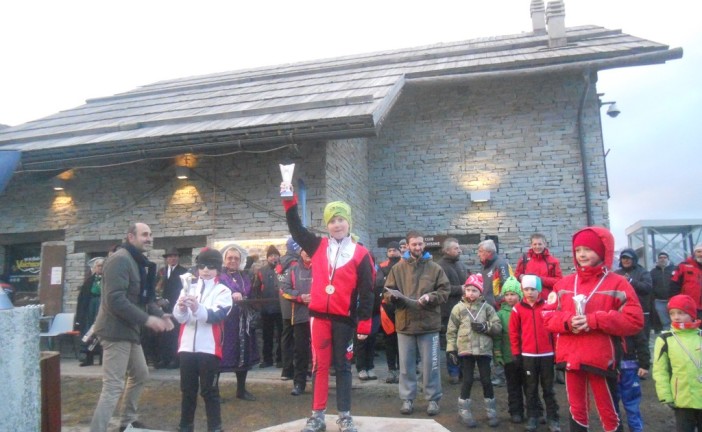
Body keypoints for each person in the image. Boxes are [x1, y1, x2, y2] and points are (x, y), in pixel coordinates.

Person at [283, 192, 375, 432]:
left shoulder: (361, 253)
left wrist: (364, 322)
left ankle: (345, 416)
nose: (337, 224)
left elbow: (367, 291)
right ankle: (317, 416)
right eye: (332, 221)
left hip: (344, 320)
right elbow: (296, 229)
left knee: (343, 367)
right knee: (320, 367)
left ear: (348, 223)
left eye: (341, 220)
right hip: (318, 319)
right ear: (327, 225)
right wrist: (289, 201)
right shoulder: (317, 246)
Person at [543, 226, 644, 432]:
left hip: (601, 358)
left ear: (602, 251)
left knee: (608, 410)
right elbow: (547, 316)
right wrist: (568, 322)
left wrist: (595, 320)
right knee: (576, 409)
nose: (581, 254)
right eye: (578, 250)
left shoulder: (618, 283)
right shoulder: (564, 284)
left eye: (588, 249)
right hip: (571, 356)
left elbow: (634, 320)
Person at [89, 222, 174, 432]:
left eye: (150, 234)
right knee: (113, 386)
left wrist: (162, 315)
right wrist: (147, 320)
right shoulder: (119, 260)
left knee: (141, 374)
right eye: (144, 234)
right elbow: (115, 300)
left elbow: (145, 298)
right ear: (130, 237)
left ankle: (126, 423)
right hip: (114, 331)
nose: (149, 238)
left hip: (129, 331)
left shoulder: (138, 262)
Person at [384, 230, 450, 417]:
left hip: (428, 324)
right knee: (405, 366)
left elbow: (444, 290)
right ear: (407, 246)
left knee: (431, 365)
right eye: (414, 244)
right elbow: (388, 291)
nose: (418, 247)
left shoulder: (435, 268)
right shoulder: (397, 268)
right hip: (405, 324)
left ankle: (433, 400)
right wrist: (393, 298)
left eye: (421, 244)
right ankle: (407, 399)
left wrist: (431, 296)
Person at [174, 248, 232, 432]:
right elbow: (180, 318)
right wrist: (182, 308)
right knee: (187, 390)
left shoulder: (223, 290)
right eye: (202, 266)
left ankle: (215, 428)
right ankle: (185, 426)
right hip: (186, 348)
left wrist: (197, 307)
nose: (206, 270)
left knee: (209, 391)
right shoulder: (188, 287)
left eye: (211, 266)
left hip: (209, 348)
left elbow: (216, 315)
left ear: (218, 269)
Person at [446, 273, 501, 428]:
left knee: (486, 380)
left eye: (474, 290)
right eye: (468, 290)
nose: (471, 293)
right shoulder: (458, 308)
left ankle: (491, 411)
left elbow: (497, 326)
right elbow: (451, 330)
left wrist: (486, 327)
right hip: (466, 349)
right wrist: (451, 350)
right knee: (468, 380)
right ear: (465, 291)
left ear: (480, 292)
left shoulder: (487, 308)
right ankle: (464, 411)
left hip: (484, 350)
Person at [510, 275, 560, 432]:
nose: (529, 292)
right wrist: (517, 353)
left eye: (533, 289)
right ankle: (533, 416)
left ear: (539, 290)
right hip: (528, 356)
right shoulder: (517, 309)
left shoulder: (548, 307)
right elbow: (513, 333)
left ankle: (553, 418)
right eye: (526, 289)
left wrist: (557, 353)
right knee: (531, 388)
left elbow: (554, 332)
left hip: (547, 355)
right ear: (522, 290)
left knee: (548, 389)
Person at [652, 294, 702, 432]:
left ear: (692, 314)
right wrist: (665, 396)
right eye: (672, 313)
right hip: (682, 399)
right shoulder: (665, 339)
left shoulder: (700, 336)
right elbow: (660, 370)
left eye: (681, 313)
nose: (676, 317)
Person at [218, 244, 259, 401]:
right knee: (221, 352)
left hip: (243, 321)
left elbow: (250, 294)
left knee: (243, 354)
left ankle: (241, 390)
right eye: (230, 258)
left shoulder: (245, 276)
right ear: (224, 259)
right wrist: (231, 295)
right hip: (225, 321)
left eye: (236, 258)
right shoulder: (218, 276)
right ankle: (214, 390)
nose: (233, 261)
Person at [280, 248, 313, 396]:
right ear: (300, 252)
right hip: (300, 316)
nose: (307, 252)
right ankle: (299, 383)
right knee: (300, 351)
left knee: (321, 351)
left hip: (320, 316)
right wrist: (300, 297)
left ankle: (320, 383)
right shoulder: (293, 269)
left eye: (309, 249)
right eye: (304, 250)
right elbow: (284, 290)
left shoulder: (322, 267)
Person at [437, 237, 470, 384]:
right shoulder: (439, 267)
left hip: (464, 310)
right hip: (448, 311)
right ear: (447, 250)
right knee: (451, 344)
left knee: (464, 342)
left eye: (459, 247)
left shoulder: (461, 265)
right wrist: (460, 289)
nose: (459, 250)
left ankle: (464, 371)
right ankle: (453, 372)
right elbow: (439, 289)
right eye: (456, 248)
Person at [496, 276, 527, 424]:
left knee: (530, 385)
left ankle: (535, 410)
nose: (509, 297)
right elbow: (498, 337)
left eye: (513, 294)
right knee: (513, 386)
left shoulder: (525, 311)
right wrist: (498, 353)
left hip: (527, 356)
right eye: (507, 294)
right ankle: (516, 411)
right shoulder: (501, 314)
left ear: (519, 295)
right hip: (509, 356)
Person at [154, 247, 188, 369]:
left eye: (175, 256)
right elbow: (156, 288)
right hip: (162, 308)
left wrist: (172, 301)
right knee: (162, 334)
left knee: (174, 333)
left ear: (178, 258)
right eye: (170, 256)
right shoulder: (161, 272)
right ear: (166, 259)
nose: (172, 258)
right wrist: (159, 301)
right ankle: (163, 358)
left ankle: (175, 359)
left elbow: (184, 289)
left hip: (176, 307)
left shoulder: (184, 272)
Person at [253, 245, 283, 368]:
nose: (273, 258)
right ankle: (267, 359)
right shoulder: (261, 271)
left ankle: (281, 359)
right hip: (266, 309)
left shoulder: (284, 269)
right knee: (267, 335)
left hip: (282, 308)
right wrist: (259, 305)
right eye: (271, 256)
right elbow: (256, 289)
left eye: (275, 255)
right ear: (267, 258)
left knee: (282, 336)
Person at [614, 248, 653, 345]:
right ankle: (628, 359)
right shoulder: (616, 273)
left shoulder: (643, 272)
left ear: (634, 259)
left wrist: (630, 281)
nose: (625, 260)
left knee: (642, 341)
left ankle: (644, 360)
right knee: (625, 341)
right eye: (623, 258)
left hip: (641, 311)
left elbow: (647, 288)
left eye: (628, 258)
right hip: (622, 312)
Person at [377, 241, 402, 384]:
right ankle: (391, 370)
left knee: (403, 340)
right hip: (387, 308)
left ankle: (403, 369)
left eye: (395, 250)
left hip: (403, 307)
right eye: (389, 250)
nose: (392, 252)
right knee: (389, 340)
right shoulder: (382, 266)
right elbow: (379, 284)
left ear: (400, 251)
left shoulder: (405, 264)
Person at [74, 257, 104, 367]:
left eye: (102, 266)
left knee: (101, 330)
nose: (100, 268)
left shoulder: (107, 280)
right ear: (94, 268)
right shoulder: (89, 281)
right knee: (89, 331)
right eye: (98, 266)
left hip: (102, 306)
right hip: (90, 307)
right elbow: (82, 298)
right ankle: (88, 358)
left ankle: (103, 358)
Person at [514, 233, 563, 302]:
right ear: (531, 245)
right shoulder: (524, 259)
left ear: (545, 244)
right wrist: (520, 277)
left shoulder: (553, 261)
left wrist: (540, 280)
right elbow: (516, 275)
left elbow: (559, 281)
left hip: (546, 299)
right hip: (528, 299)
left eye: (540, 244)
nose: (537, 246)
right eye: (535, 244)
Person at [278, 237, 301, 381]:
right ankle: (299, 369)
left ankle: (286, 370)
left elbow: (279, 285)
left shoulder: (279, 263)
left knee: (286, 337)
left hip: (284, 305)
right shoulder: (296, 263)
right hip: (297, 304)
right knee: (299, 339)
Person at [670, 244, 702, 319]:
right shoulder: (683, 266)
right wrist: (674, 301)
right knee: (691, 328)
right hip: (689, 306)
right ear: (694, 253)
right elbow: (674, 284)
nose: (701, 254)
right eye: (698, 251)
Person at [650, 251, 676, 331]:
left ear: (668, 259)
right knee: (665, 322)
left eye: (664, 258)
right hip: (659, 301)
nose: (662, 259)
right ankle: (667, 337)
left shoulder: (675, 269)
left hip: (673, 300)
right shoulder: (653, 272)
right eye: (660, 258)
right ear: (657, 260)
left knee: (676, 319)